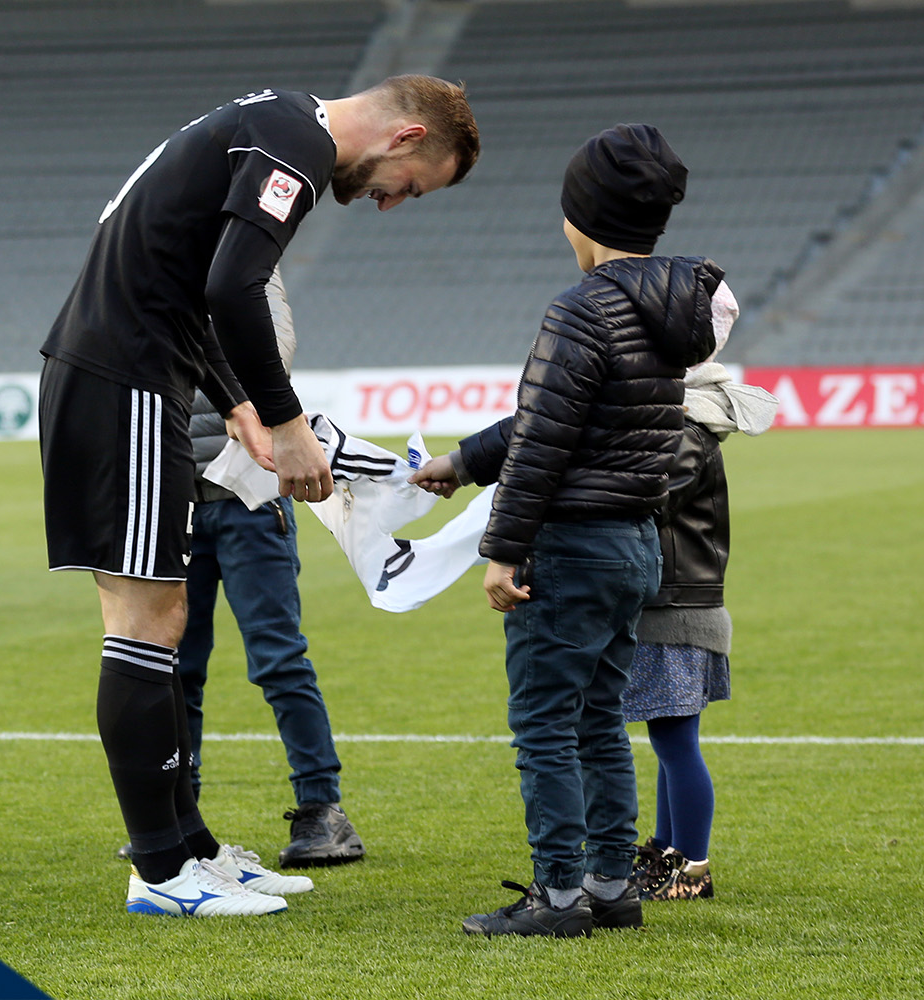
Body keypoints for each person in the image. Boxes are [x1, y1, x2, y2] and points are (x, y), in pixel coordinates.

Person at [39, 75, 479, 917]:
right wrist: (286, 422)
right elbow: (232, 288)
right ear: (408, 136)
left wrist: (237, 402)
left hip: (130, 372)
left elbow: (190, 280)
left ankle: (192, 849)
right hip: (125, 378)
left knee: (164, 618)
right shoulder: (296, 142)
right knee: (143, 620)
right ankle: (161, 873)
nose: (391, 203)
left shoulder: (269, 123)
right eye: (411, 187)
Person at [411, 124, 721, 937]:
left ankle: (555, 899)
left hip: (572, 547)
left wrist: (503, 551)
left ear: (581, 217)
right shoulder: (670, 311)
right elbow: (551, 423)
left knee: (546, 725)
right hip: (635, 547)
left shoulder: (581, 308)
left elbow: (544, 440)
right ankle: (611, 888)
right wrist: (463, 462)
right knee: (599, 720)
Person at [115, 275, 365, 876]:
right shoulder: (162, 269)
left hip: (250, 501)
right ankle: (178, 813)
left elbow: (267, 353)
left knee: (279, 659)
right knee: (175, 666)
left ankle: (322, 808)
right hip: (175, 502)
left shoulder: (247, 271)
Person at [624, 359, 774, 902]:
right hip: (679, 605)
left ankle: (691, 869)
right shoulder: (686, 432)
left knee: (674, 740)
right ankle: (668, 853)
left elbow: (650, 502)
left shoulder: (686, 435)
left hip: (679, 609)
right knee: (670, 738)